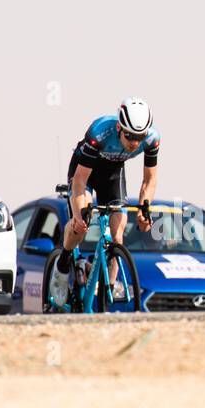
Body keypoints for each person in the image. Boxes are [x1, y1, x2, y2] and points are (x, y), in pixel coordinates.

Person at [54, 98, 160, 295]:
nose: (135, 143)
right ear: (119, 127)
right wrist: (78, 214)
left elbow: (149, 179)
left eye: (140, 136)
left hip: (112, 175)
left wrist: (145, 209)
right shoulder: (99, 132)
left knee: (117, 237)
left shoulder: (152, 138)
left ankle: (105, 290)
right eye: (129, 136)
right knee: (81, 225)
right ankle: (62, 263)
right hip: (85, 172)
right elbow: (79, 181)